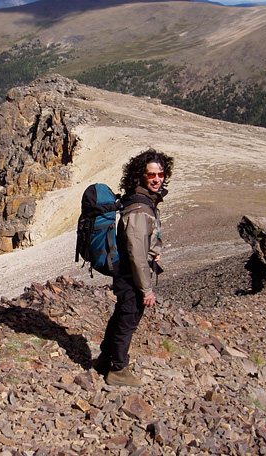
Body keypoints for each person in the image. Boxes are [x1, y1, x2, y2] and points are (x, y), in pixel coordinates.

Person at [94, 147, 174, 387]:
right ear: (141, 176)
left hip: (128, 273)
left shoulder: (138, 199)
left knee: (121, 316)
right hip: (132, 277)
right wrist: (146, 289)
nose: (157, 179)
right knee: (127, 321)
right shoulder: (140, 208)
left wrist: (153, 253)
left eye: (160, 174)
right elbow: (136, 252)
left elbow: (141, 244)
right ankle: (118, 370)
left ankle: (103, 361)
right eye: (151, 175)